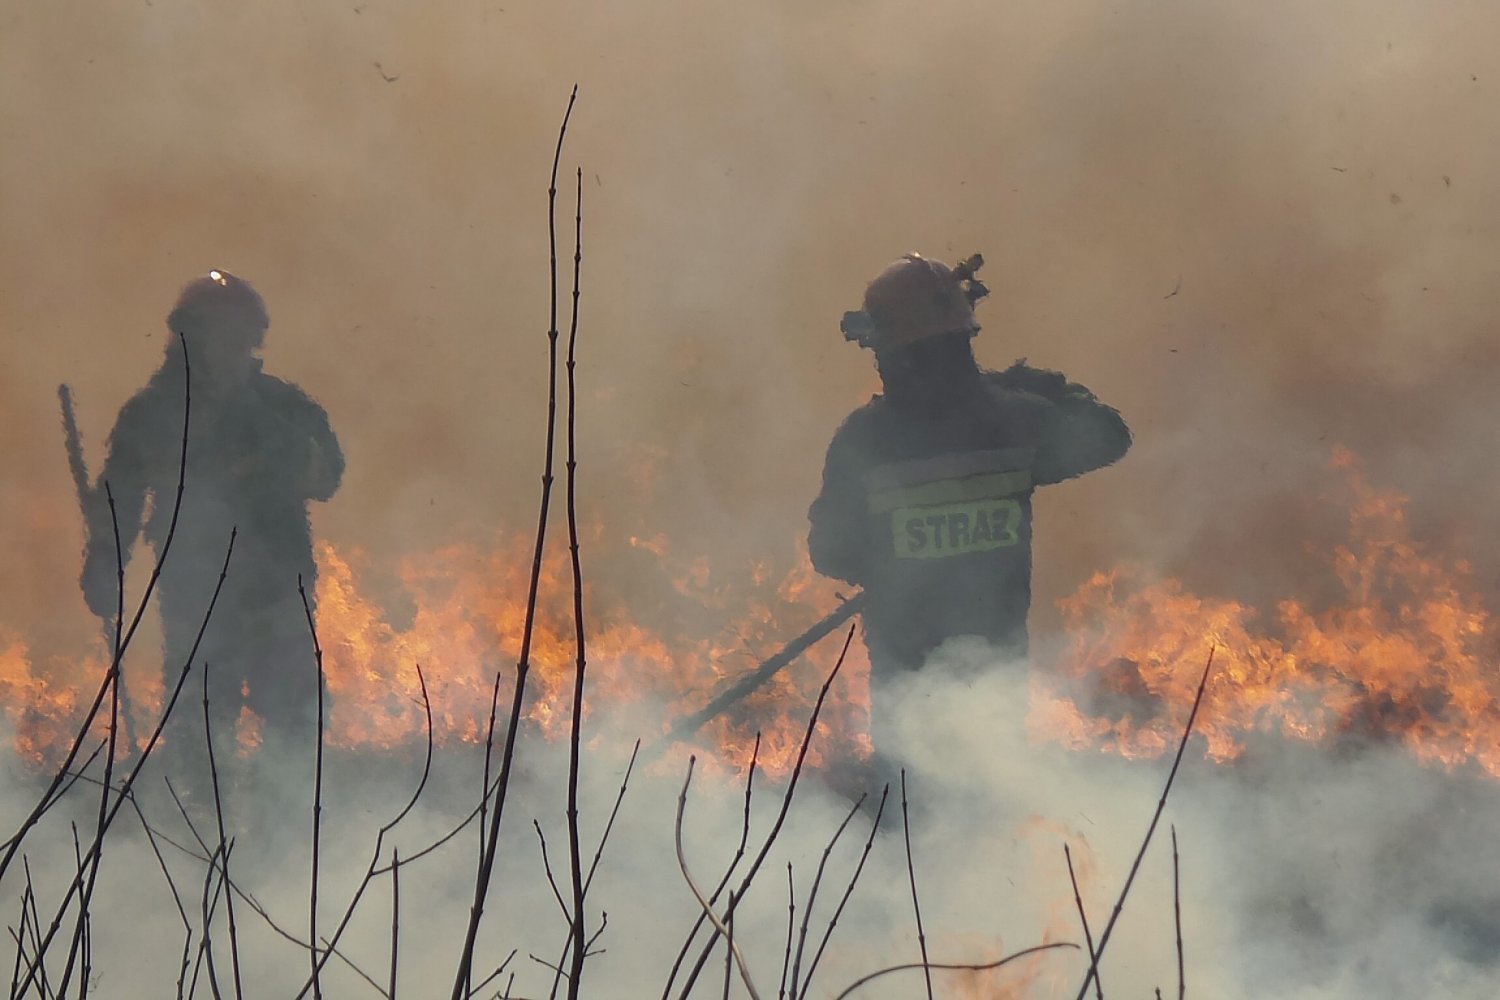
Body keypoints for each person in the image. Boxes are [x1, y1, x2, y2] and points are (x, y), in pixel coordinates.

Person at [807, 253, 1130, 751]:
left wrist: (888, 563)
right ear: (963, 335)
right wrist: (1037, 386)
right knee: (990, 789)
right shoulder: (1016, 421)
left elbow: (830, 552)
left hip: (905, 693)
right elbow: (1108, 435)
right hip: (996, 687)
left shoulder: (864, 440)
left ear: (885, 347)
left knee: (906, 792)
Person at [80, 270, 343, 759]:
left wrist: (276, 443)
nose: (229, 348)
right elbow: (120, 500)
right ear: (188, 339)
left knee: (295, 719)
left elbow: (328, 476)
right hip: (194, 592)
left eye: (239, 336)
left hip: (278, 588)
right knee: (197, 720)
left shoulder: (283, 407)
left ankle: (286, 805)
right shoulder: (153, 414)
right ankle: (194, 802)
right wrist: (103, 565)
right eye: (217, 335)